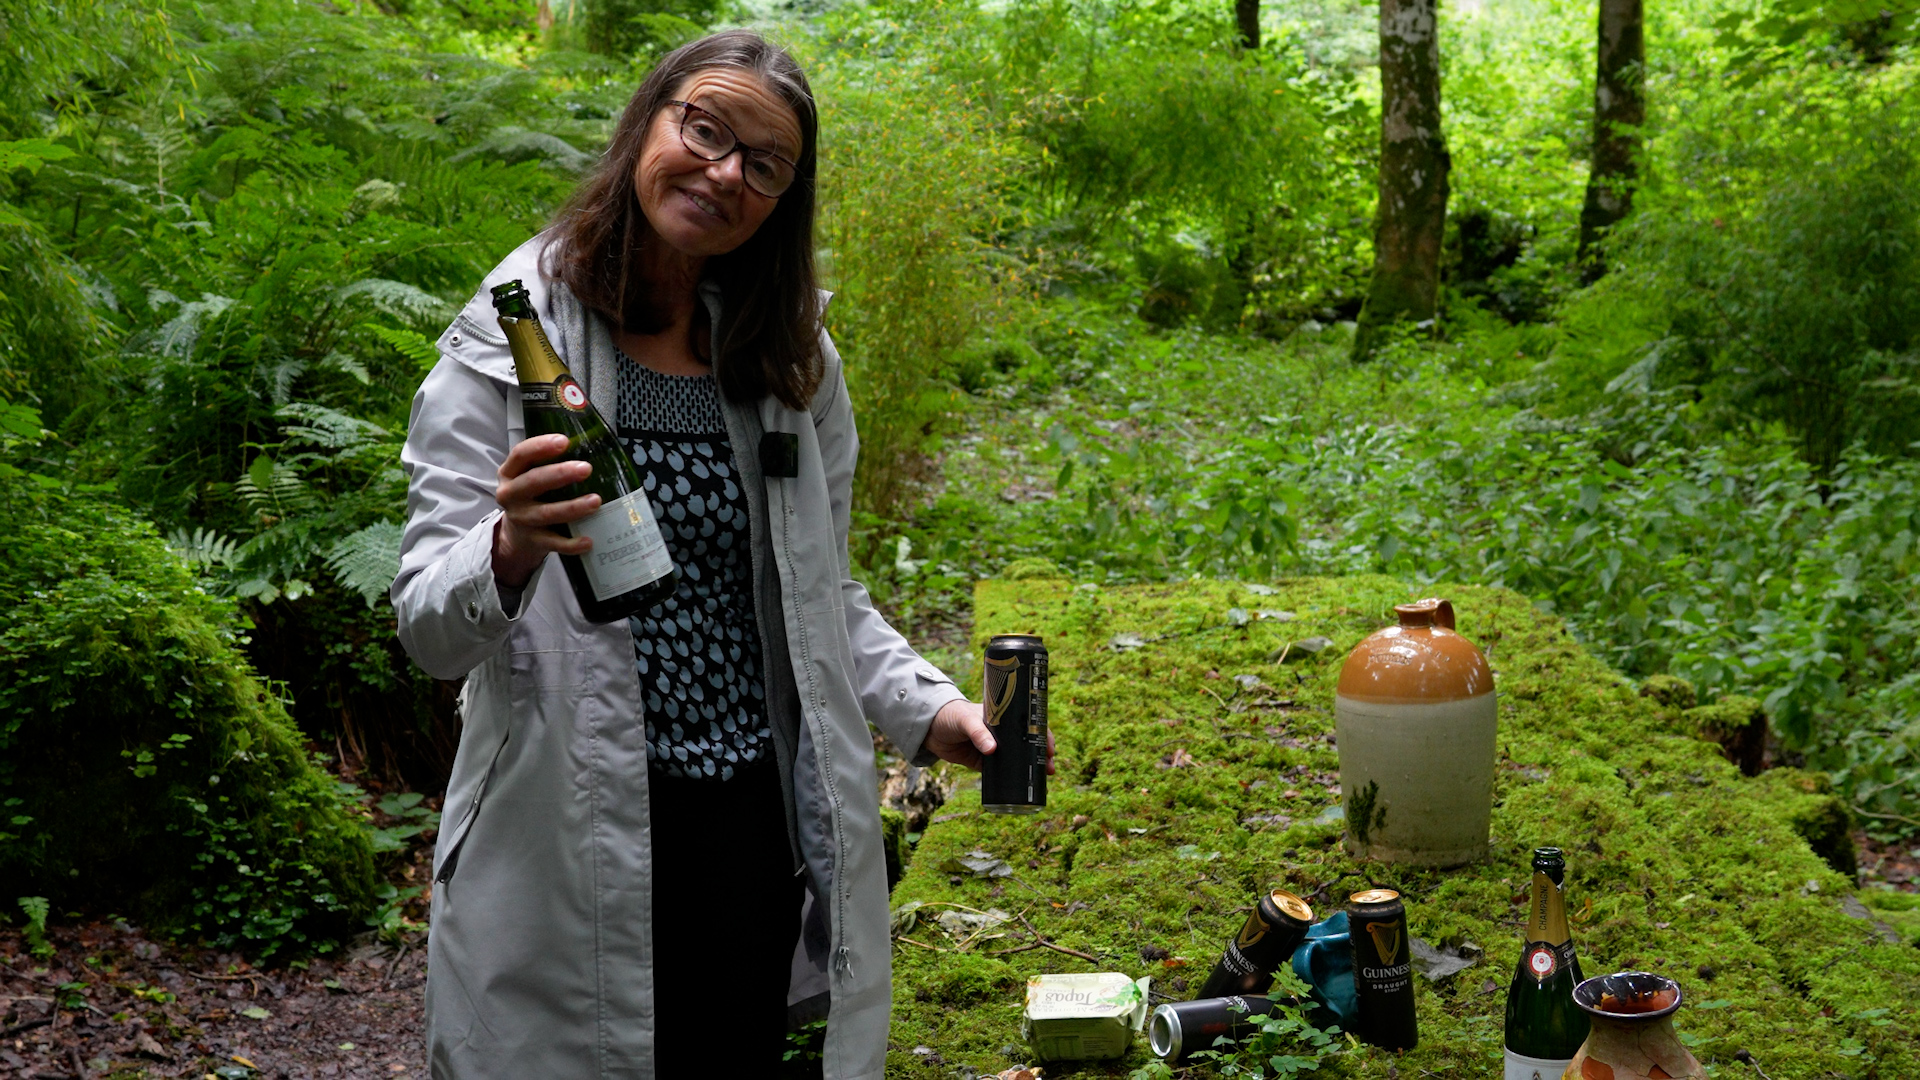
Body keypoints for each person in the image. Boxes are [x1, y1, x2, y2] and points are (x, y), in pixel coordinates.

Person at [392, 30, 1042, 1080]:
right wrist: (508, 546)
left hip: (746, 830)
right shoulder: (511, 331)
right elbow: (426, 625)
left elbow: (821, 591)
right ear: (648, 121)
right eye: (704, 128)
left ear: (785, 196)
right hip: (566, 821)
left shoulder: (787, 352)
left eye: (764, 162)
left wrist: (930, 709)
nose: (724, 170)